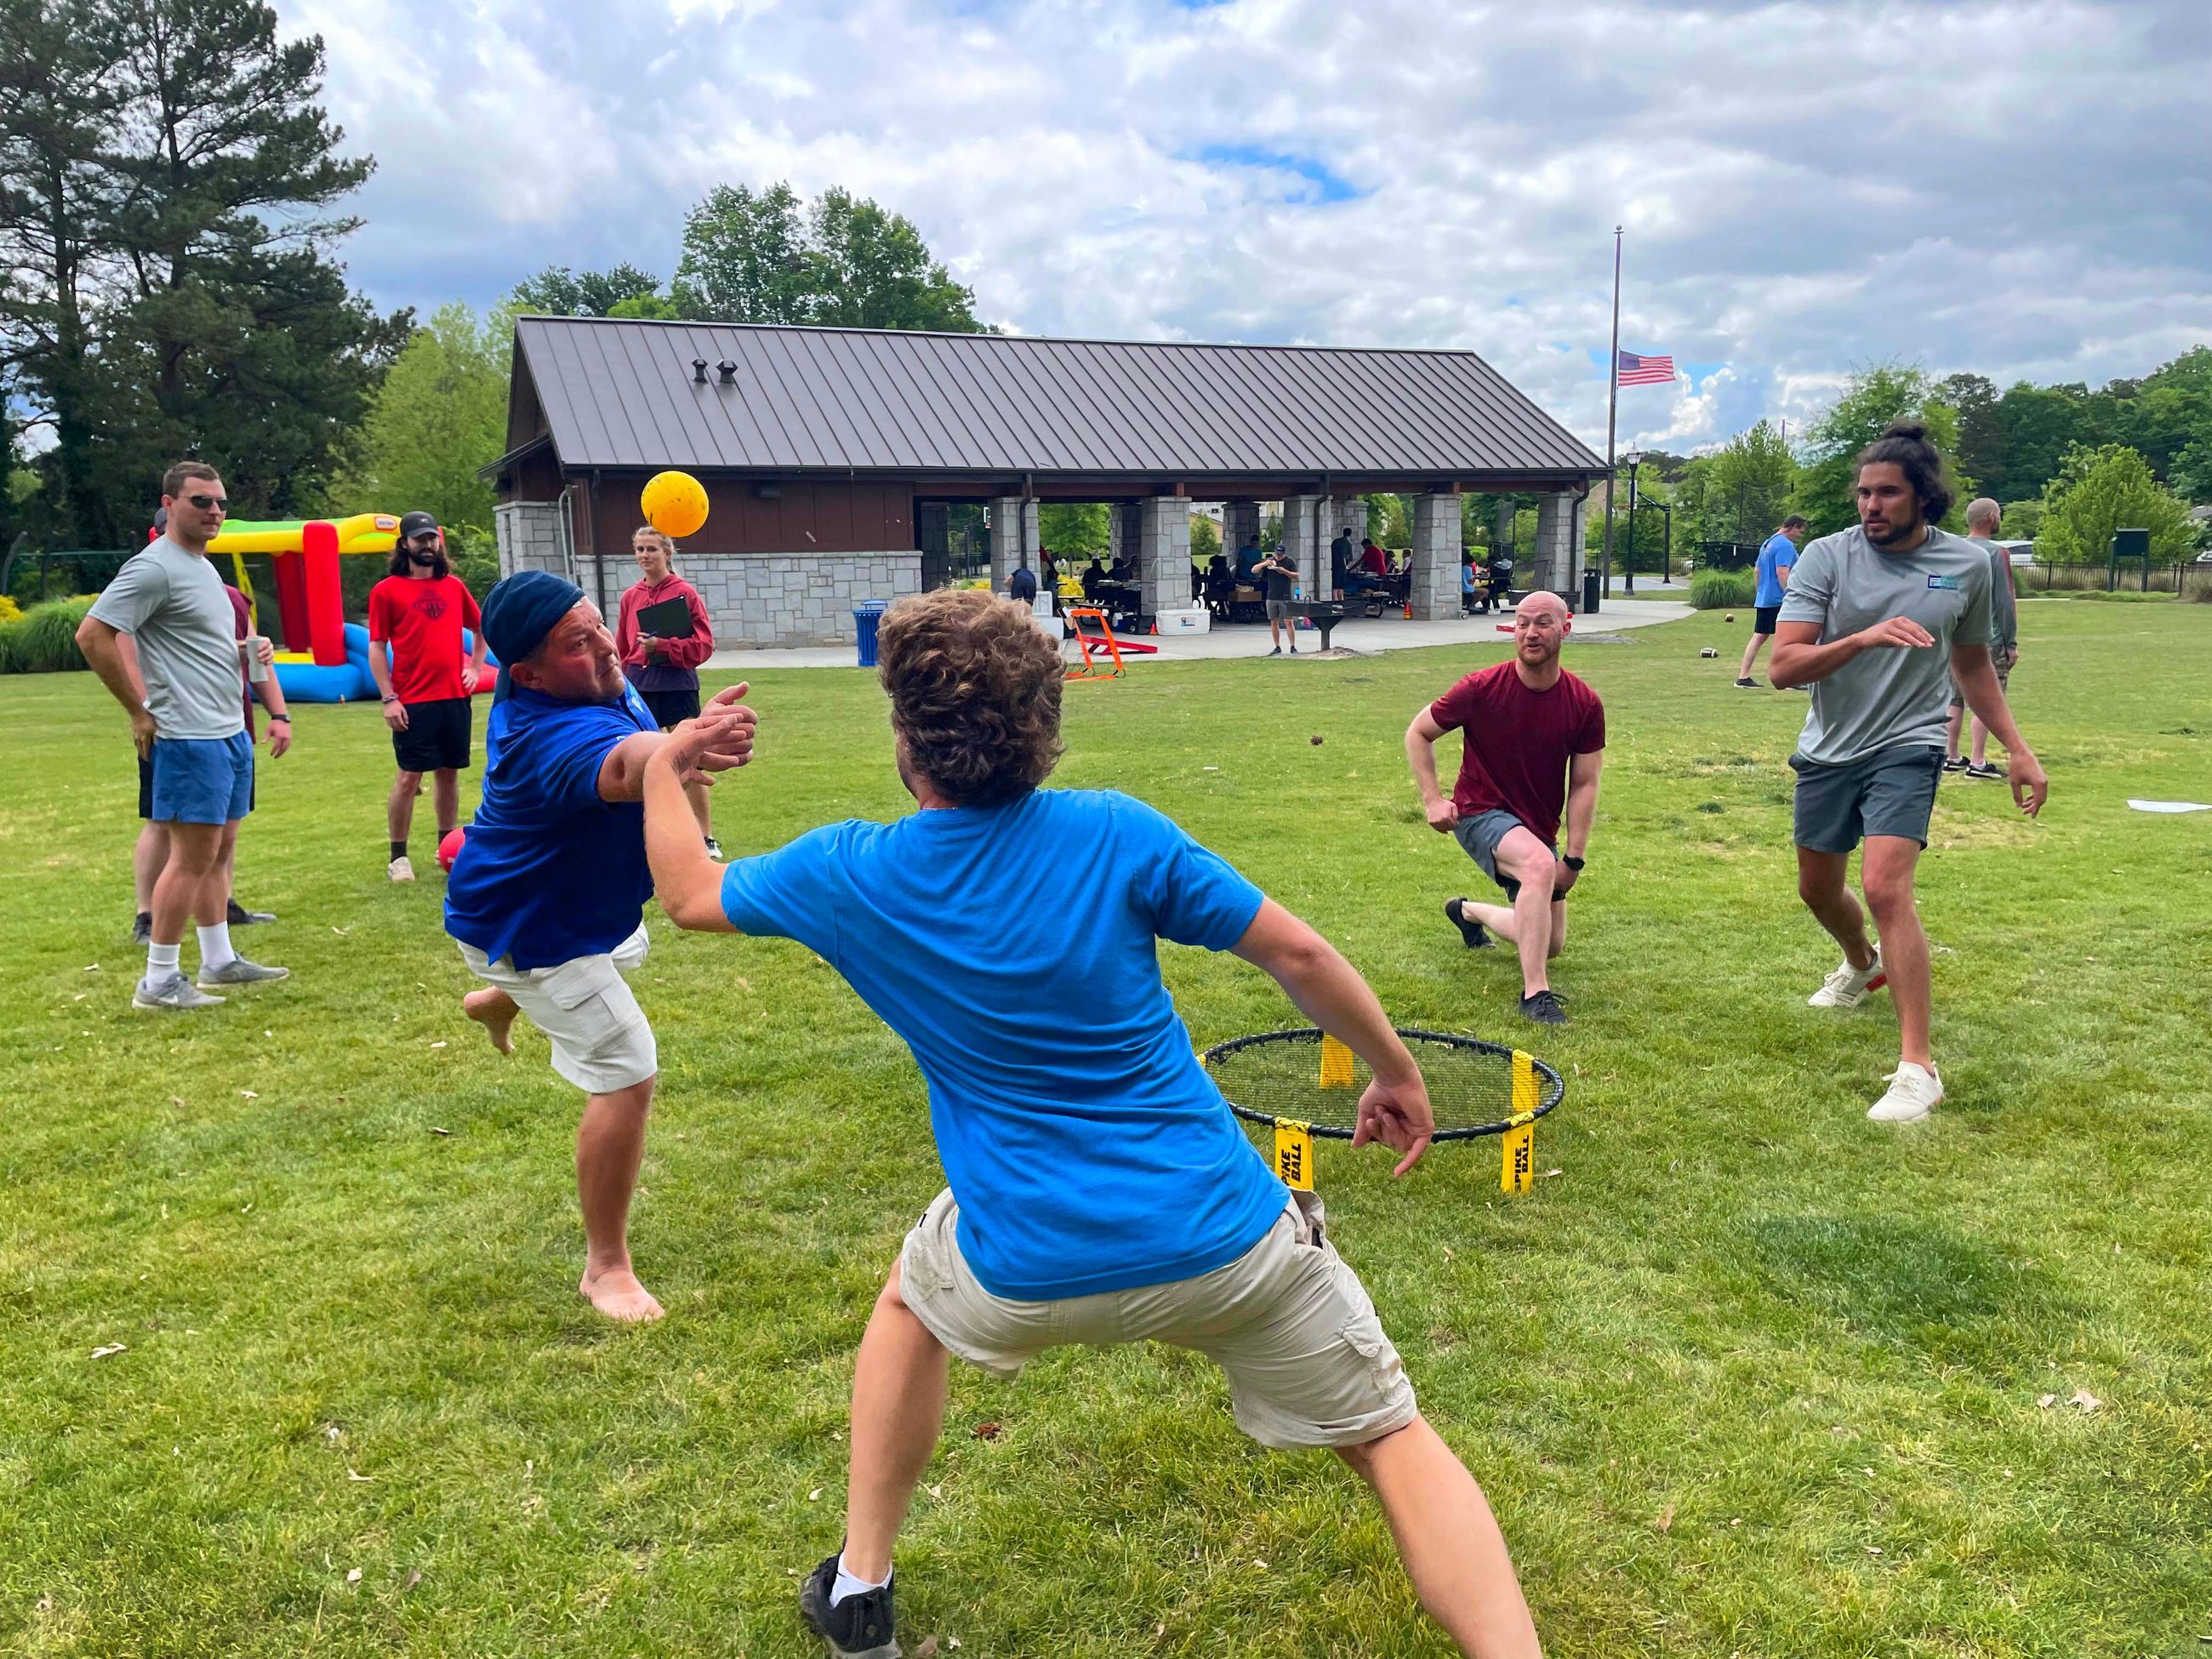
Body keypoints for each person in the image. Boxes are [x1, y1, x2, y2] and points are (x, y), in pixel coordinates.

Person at [640, 588, 1542, 1659]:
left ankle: (860, 1588)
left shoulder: (851, 872)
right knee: (1390, 1438)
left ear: (903, 737)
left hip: (1018, 1269)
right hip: (1228, 1248)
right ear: (1044, 729)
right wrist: (1395, 1072)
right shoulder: (1114, 832)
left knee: (909, 1302)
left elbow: (691, 894)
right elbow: (1296, 955)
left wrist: (664, 767)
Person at [443, 571, 755, 1320]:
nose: (603, 648)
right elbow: (621, 766)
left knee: (630, 946)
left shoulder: (587, 683)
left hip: (578, 920)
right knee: (626, 1071)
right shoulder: (547, 733)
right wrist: (677, 751)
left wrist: (681, 741)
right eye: (576, 644)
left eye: (596, 627)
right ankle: (605, 1268)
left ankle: (499, 999)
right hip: (531, 933)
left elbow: (644, 741)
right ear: (528, 674)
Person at [1770, 423, 2047, 1123]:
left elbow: (1972, 662)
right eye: (1864, 492)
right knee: (1817, 889)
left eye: (1887, 492)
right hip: (1831, 747)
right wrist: (1863, 636)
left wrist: (2016, 746)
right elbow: (1783, 667)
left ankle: (1917, 1068)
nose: (1871, 505)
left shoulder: (1970, 565)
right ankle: (1861, 961)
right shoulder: (1827, 558)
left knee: (1885, 886)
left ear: (1923, 496)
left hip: (1911, 741)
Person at [77, 462, 289, 1009]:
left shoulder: (202, 569)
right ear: (169, 505)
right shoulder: (155, 568)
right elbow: (94, 635)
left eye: (219, 502)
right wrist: (138, 710)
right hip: (188, 737)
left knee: (219, 851)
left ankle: (219, 961)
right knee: (191, 856)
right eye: (201, 501)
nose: (214, 511)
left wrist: (249, 654)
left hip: (228, 731)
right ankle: (159, 980)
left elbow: (195, 645)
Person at [1404, 591, 1605, 1027]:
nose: (1531, 633)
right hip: (1479, 812)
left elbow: (1585, 784)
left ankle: (1467, 912)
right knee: (1536, 865)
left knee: (1549, 942)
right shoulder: (1480, 689)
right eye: (1522, 623)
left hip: (1536, 828)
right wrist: (1433, 800)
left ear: (1565, 629)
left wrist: (1573, 856)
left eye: (1543, 623)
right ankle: (1536, 995)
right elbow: (1418, 733)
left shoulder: (1584, 703)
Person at [127, 561, 282, 942]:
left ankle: (221, 913)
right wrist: (141, 711)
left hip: (230, 730)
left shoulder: (229, 597)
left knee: (223, 831)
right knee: (165, 825)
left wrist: (279, 713)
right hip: (178, 733)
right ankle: (147, 918)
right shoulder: (150, 588)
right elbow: (119, 648)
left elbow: (254, 656)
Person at [368, 512, 487, 881]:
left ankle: (446, 849)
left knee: (449, 774)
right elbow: (376, 647)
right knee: (408, 777)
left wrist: (475, 667)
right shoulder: (387, 591)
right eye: (419, 539)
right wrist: (389, 697)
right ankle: (398, 858)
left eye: (432, 538)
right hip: (412, 700)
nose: (427, 545)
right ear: (404, 544)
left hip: (453, 697)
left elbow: (481, 626)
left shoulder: (453, 586)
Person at [616, 525, 720, 856]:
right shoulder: (630, 597)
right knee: (642, 762)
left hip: (676, 684)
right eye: (640, 549)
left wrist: (664, 646)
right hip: (639, 685)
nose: (645, 556)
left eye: (652, 549)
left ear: (668, 553)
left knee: (689, 759)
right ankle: (649, 835)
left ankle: (705, 837)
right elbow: (621, 646)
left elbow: (703, 645)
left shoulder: (685, 594)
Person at [1943, 499, 2020, 778]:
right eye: (1999, 514)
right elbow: (2005, 600)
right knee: (1988, 697)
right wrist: (2010, 643)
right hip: (1989, 637)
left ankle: (1951, 756)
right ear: (1990, 518)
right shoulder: (1997, 554)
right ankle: (1977, 761)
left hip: (1954, 635)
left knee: (1954, 697)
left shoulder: (1953, 550)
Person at [1737, 516, 1808, 687]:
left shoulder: (1768, 543)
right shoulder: (1785, 545)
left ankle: (1743, 677)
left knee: (1760, 636)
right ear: (1793, 527)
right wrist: (1791, 594)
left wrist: (1760, 592)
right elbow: (1782, 571)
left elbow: (1757, 571)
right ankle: (1790, 678)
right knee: (1793, 638)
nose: (1800, 535)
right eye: (1800, 531)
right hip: (1779, 599)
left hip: (1766, 598)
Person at [1256, 543, 1300, 654]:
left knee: (1288, 621)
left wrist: (1284, 571)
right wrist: (1265, 563)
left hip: (1285, 596)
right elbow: (1254, 570)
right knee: (1273, 622)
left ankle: (1292, 646)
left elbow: (1296, 575)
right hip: (1271, 596)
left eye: (1281, 554)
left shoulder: (1289, 561)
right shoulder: (1270, 560)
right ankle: (1277, 646)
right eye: (1277, 554)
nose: (1278, 556)